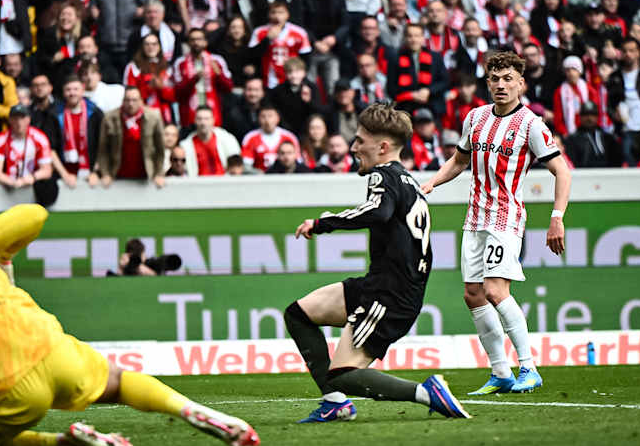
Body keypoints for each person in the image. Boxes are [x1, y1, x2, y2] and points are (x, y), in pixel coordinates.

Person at [0, 204, 259, 446]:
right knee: (119, 382)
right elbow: (36, 214)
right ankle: (190, 409)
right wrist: (2, 253)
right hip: (53, 348)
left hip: (10, 389)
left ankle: (61, 443)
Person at [285, 102, 468, 423]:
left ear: (383, 147)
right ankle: (334, 404)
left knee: (342, 373)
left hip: (389, 293)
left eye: (359, 141)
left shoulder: (383, 176)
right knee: (298, 314)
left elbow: (378, 211)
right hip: (383, 285)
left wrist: (323, 222)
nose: (353, 147)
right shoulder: (406, 180)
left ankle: (426, 392)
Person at [421, 51, 572, 395]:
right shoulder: (475, 118)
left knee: (494, 290)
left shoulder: (531, 125)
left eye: (508, 79)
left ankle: (529, 367)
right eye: (495, 79)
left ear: (521, 83)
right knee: (473, 294)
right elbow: (459, 161)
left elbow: (561, 170)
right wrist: (432, 182)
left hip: (506, 218)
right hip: (475, 217)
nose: (501, 85)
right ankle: (500, 371)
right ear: (487, 83)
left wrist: (556, 218)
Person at [96, 86, 166, 188]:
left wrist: (158, 173)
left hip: (145, 176)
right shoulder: (109, 118)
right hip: (117, 176)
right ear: (122, 101)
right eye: (127, 100)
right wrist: (106, 173)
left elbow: (160, 149)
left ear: (141, 101)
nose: (130, 104)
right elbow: (103, 150)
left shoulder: (154, 117)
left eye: (134, 100)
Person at [0, 104, 53, 190]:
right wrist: (12, 182)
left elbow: (47, 170)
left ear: (28, 119)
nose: (19, 122)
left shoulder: (40, 138)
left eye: (22, 118)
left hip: (32, 186)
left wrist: (32, 177)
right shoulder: (0, 140)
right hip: (8, 187)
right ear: (10, 120)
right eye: (15, 118)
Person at [174, 106, 240, 177]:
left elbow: (237, 167)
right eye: (199, 119)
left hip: (224, 182)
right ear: (194, 121)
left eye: (206, 119)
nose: (203, 122)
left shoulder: (228, 140)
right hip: (197, 184)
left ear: (213, 120)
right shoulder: (186, 146)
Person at [240, 101, 300, 173]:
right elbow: (246, 166)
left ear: (277, 118)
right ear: (258, 119)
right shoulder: (250, 138)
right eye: (263, 116)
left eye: (270, 116)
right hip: (259, 180)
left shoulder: (289, 137)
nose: (267, 120)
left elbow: (297, 162)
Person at [564, 102, 620, 168]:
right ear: (580, 117)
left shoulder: (608, 138)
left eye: (593, 114)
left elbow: (616, 161)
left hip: (608, 174)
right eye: (585, 114)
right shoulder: (572, 139)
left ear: (597, 117)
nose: (589, 118)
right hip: (583, 174)